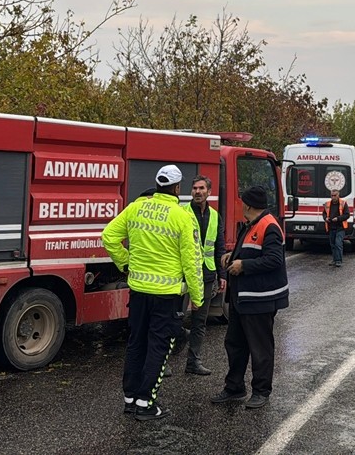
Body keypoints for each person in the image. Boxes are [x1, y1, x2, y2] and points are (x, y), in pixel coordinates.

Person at [102, 165, 204, 421]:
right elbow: (191, 261)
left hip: (138, 291)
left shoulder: (136, 207)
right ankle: (146, 404)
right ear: (178, 188)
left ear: (158, 184)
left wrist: (125, 263)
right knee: (159, 347)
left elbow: (108, 236)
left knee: (136, 343)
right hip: (167, 295)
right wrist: (198, 297)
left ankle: (130, 398)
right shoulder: (182, 216)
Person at [212, 185, 289, 410]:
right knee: (235, 344)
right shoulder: (252, 224)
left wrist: (243, 265)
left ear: (248, 204)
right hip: (242, 298)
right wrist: (232, 256)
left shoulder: (269, 226)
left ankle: (261, 391)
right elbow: (250, 250)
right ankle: (234, 387)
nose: (240, 204)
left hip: (260, 298)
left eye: (242, 201)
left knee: (260, 347)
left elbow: (274, 260)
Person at [182, 175, 225, 376]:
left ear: (209, 192)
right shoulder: (181, 213)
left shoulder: (215, 216)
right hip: (182, 275)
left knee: (200, 321)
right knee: (175, 319)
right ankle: (164, 361)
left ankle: (193, 361)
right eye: (194, 188)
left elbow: (219, 247)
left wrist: (221, 274)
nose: (197, 192)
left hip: (207, 274)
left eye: (201, 188)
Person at [322, 188, 350, 268]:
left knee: (338, 244)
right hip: (331, 227)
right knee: (333, 244)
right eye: (332, 195)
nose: (333, 197)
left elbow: (347, 215)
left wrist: (338, 219)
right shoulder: (327, 204)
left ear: (338, 195)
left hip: (340, 227)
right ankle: (334, 260)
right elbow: (324, 213)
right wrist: (326, 218)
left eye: (335, 195)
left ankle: (338, 261)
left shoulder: (343, 203)